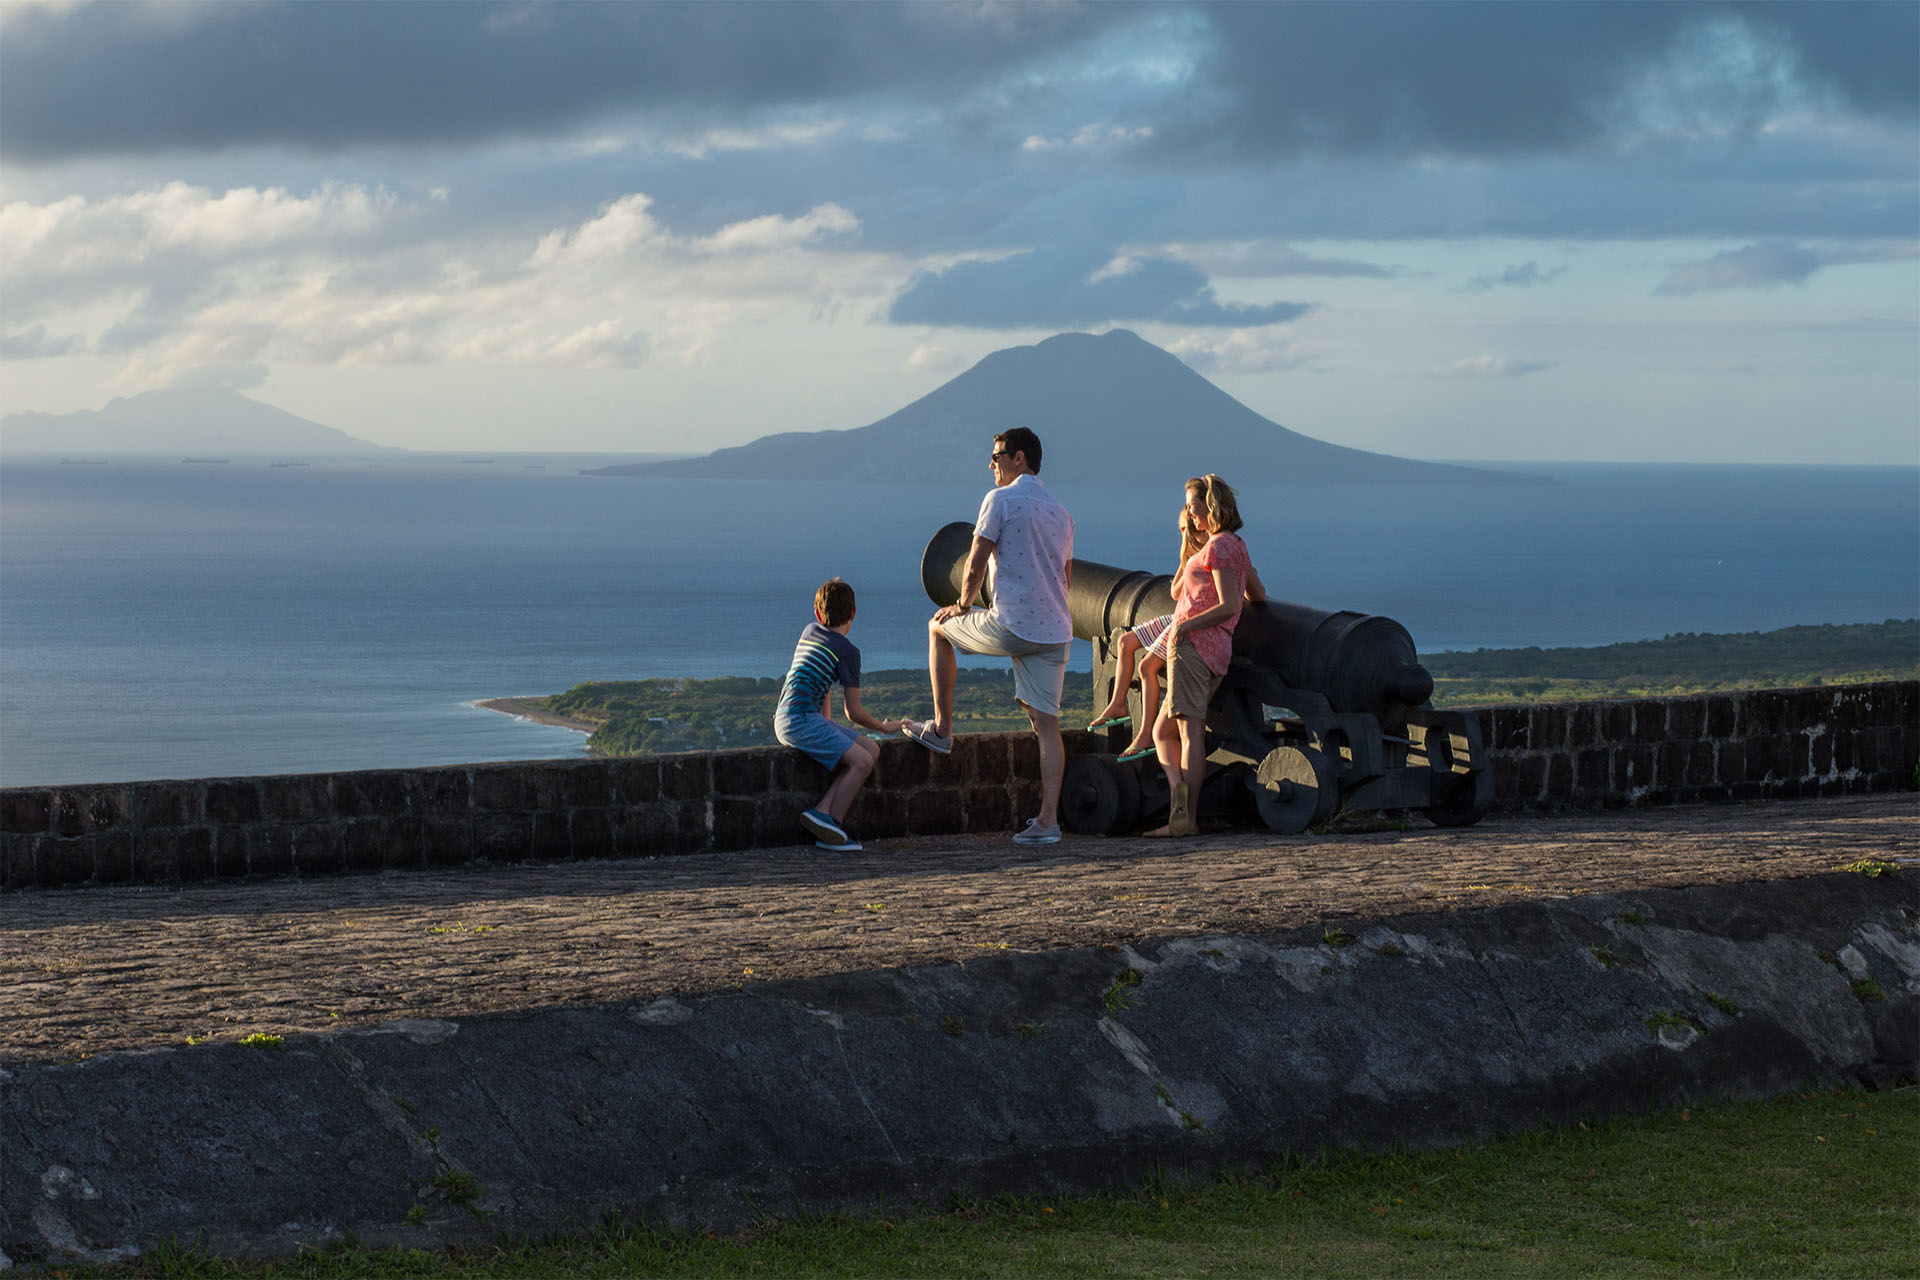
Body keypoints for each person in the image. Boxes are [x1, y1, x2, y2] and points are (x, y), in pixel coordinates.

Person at [902, 427, 1074, 845]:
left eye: (996, 456)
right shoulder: (1060, 512)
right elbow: (1065, 578)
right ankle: (1048, 822)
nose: (991, 464)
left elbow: (977, 556)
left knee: (937, 628)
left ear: (1019, 458)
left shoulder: (999, 500)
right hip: (1056, 631)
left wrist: (962, 604)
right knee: (1046, 725)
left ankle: (942, 730)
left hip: (1014, 624)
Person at [1147, 474, 1265, 837]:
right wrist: (1188, 546)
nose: (1189, 513)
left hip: (1192, 646)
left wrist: (1184, 627)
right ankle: (1179, 796)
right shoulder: (1234, 546)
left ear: (1209, 505)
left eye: (1192, 506)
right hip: (1215, 651)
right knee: (1163, 731)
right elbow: (1255, 595)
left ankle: (1186, 819)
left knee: (1187, 732)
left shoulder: (1217, 548)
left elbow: (1229, 604)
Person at [774, 578, 901, 852]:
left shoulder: (809, 631)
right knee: (863, 762)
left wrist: (827, 724)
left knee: (871, 748)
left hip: (790, 717)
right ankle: (832, 822)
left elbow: (823, 683)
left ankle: (821, 811)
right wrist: (884, 726)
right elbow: (853, 712)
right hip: (801, 720)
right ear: (854, 613)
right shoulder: (849, 652)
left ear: (817, 614)